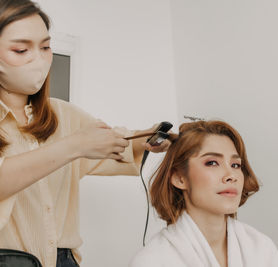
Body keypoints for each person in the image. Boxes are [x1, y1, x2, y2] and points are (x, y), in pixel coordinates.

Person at [0, 0, 169, 266]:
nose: (39, 58)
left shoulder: (63, 115)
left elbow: (114, 146)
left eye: (45, 47)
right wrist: (73, 146)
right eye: (21, 50)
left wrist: (147, 138)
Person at [130, 120, 278, 267]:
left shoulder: (262, 249)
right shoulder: (152, 261)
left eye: (236, 165)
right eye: (212, 163)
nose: (231, 175)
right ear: (179, 178)